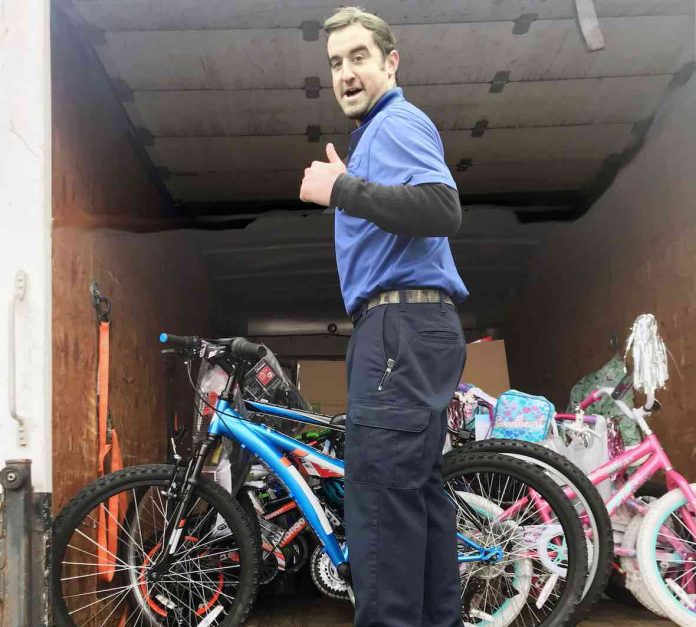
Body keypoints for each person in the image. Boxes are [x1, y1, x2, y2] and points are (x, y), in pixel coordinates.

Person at [299, 7, 469, 626]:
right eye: (336, 63)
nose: (345, 72)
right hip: (409, 331)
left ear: (390, 62)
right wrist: (352, 181)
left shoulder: (397, 122)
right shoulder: (376, 134)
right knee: (415, 503)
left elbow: (442, 207)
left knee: (378, 506)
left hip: (399, 329)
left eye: (358, 57)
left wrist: (341, 190)